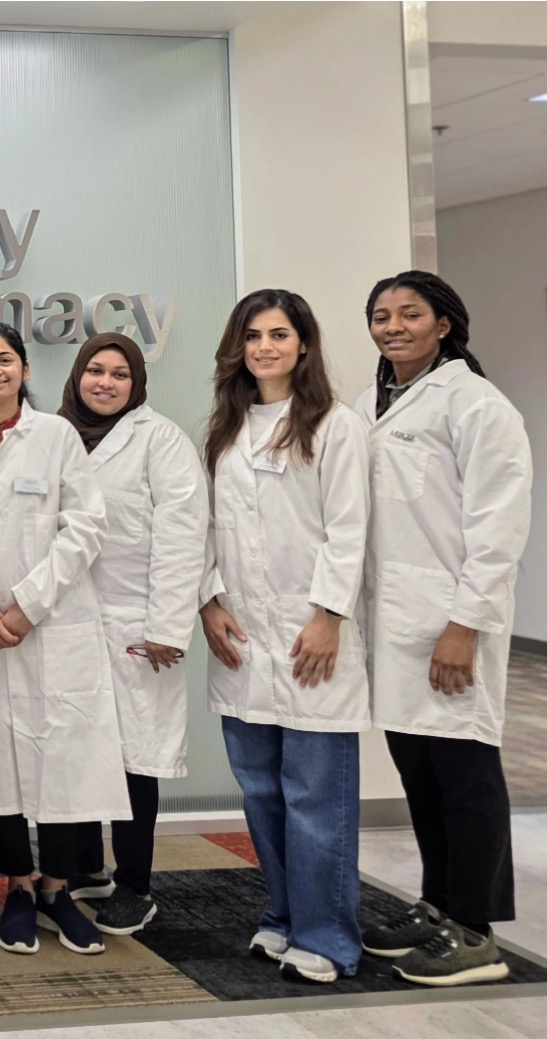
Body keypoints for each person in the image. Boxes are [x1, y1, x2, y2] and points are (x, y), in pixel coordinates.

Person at [0, 322, 127, 959]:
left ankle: (59, 891)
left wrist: (29, 605)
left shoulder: (57, 436)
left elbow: (86, 527)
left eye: (4, 359)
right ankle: (16, 886)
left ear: (24, 370)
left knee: (64, 756)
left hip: (52, 624)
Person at [353, 271, 532, 986]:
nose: (392, 325)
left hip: (449, 622)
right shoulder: (373, 403)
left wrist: (464, 624)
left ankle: (475, 930)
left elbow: (497, 527)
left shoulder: (475, 403)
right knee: (419, 773)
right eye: (379, 315)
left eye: (408, 313)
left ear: (444, 324)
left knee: (464, 774)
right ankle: (435, 903)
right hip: (394, 624)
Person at [199, 288, 371, 985]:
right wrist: (207, 600)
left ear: (303, 343)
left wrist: (329, 613)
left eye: (278, 333)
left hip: (307, 634)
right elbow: (202, 525)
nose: (264, 346)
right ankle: (282, 914)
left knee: (313, 793)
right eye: (252, 335)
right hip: (241, 636)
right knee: (262, 791)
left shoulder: (335, 424)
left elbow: (349, 526)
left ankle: (327, 936)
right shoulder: (225, 427)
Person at [55, 333, 208, 936]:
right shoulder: (54, 434)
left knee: (133, 761)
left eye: (120, 374)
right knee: (76, 748)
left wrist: (169, 623)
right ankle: (87, 867)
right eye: (95, 371)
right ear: (77, 375)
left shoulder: (161, 440)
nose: (105, 383)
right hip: (68, 621)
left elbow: (183, 533)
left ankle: (136, 884)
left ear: (136, 383)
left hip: (136, 624)